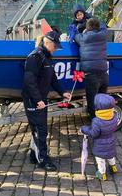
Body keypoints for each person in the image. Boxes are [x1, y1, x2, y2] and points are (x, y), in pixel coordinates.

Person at [22, 31, 71, 171]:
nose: (56, 49)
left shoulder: (47, 57)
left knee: (38, 128)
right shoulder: (35, 57)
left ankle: (34, 155)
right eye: (55, 46)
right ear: (47, 42)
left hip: (40, 98)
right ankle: (43, 159)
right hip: (33, 99)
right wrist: (37, 100)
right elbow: (29, 81)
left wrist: (63, 93)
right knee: (40, 129)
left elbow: (53, 79)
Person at [75, 18, 109, 118]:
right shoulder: (103, 35)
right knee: (102, 102)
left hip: (91, 76)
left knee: (92, 104)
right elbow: (103, 26)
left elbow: (75, 34)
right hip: (104, 74)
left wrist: (81, 26)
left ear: (87, 27)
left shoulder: (83, 37)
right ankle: (103, 123)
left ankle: (95, 125)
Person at [80, 93, 118, 181]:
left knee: (100, 159)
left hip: (100, 144)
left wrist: (84, 129)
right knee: (110, 156)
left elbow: (94, 133)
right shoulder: (114, 116)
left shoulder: (97, 121)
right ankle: (113, 167)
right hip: (111, 141)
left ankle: (102, 174)